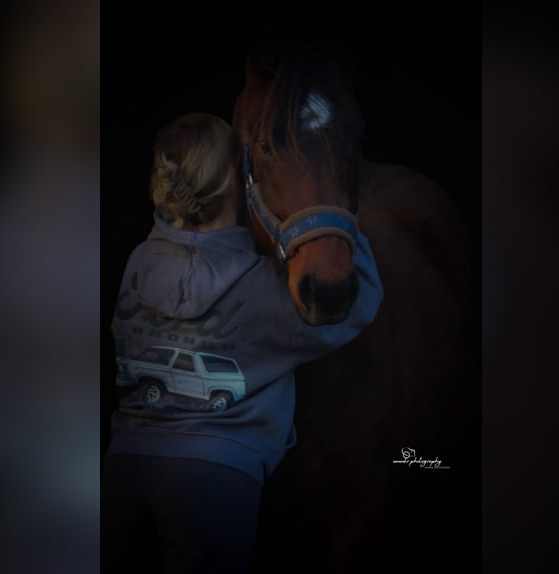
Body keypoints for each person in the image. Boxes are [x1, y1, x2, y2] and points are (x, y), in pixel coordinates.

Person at [101, 112, 383, 573]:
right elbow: (362, 297)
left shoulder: (137, 263)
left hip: (125, 463)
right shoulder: (262, 292)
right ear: (242, 184)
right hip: (214, 478)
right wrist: (338, 215)